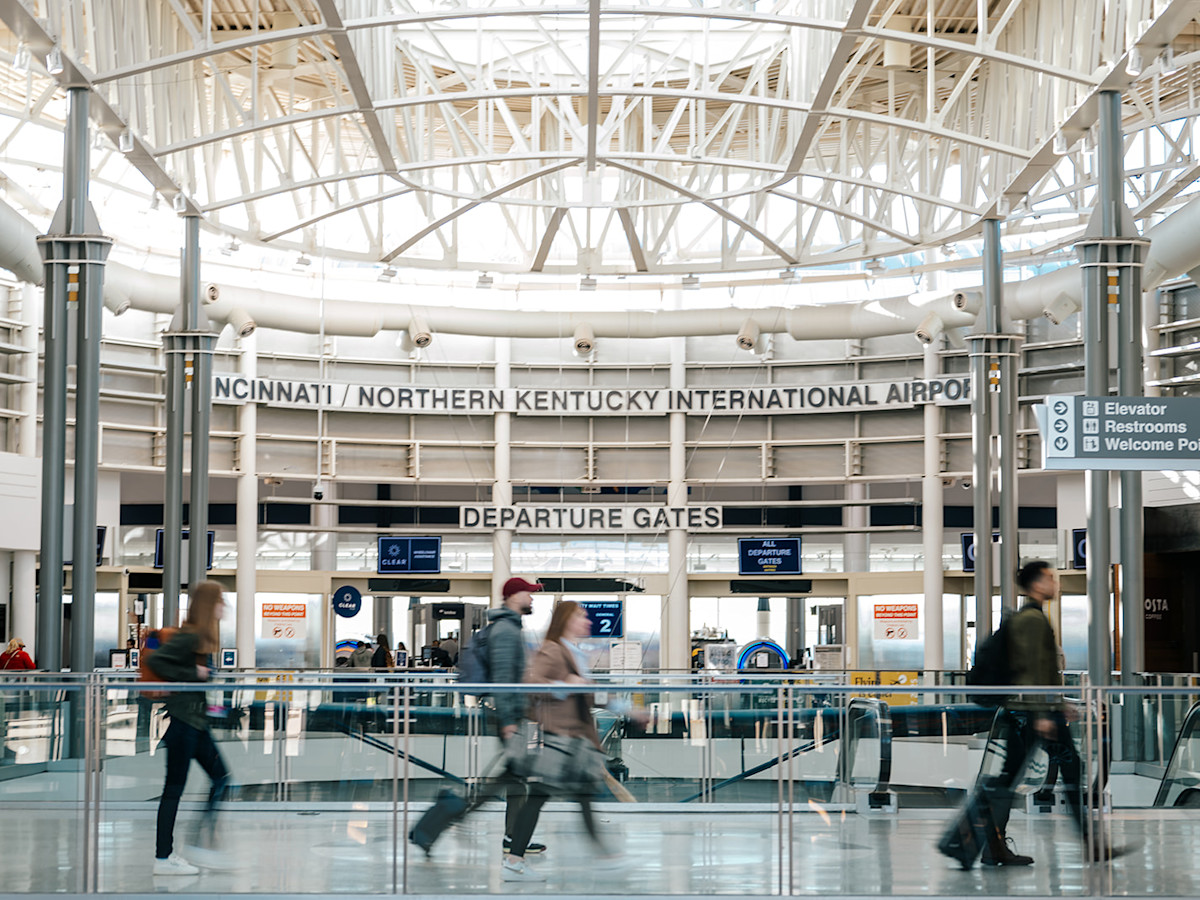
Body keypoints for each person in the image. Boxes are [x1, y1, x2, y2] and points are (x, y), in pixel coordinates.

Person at [505, 601, 636, 880]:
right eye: (581, 616)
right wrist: (566, 685)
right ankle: (603, 855)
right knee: (551, 794)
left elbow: (589, 694)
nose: (587, 621)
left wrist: (627, 708)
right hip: (554, 737)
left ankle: (517, 859)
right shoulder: (553, 649)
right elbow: (531, 684)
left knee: (574, 795)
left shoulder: (575, 653)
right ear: (566, 620)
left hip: (568, 738)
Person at [147, 581, 230, 876]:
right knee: (174, 789)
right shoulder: (190, 636)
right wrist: (192, 673)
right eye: (221, 601)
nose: (225, 606)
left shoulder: (202, 638)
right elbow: (156, 660)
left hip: (196, 723)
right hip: (185, 725)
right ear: (210, 604)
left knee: (222, 777)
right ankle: (163, 857)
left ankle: (198, 844)